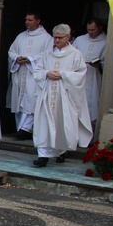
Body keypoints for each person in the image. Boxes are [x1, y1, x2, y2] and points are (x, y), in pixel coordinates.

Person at [32, 24, 93, 167]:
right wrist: (47, 73)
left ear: (68, 37)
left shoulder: (75, 54)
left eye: (60, 38)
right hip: (48, 93)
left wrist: (63, 75)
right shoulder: (47, 54)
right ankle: (43, 155)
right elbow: (37, 70)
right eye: (55, 38)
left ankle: (61, 151)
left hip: (65, 95)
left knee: (62, 123)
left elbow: (81, 73)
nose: (57, 40)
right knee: (44, 123)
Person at [6, 12, 53, 140]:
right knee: (19, 102)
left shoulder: (46, 38)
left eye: (30, 20)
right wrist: (17, 58)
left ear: (38, 21)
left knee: (31, 100)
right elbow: (11, 51)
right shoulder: (21, 36)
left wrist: (31, 59)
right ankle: (20, 129)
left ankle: (26, 129)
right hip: (20, 73)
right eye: (26, 20)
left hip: (34, 75)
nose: (27, 22)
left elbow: (48, 54)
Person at [72, 19, 106, 131]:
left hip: (94, 79)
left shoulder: (106, 42)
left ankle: (90, 137)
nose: (90, 32)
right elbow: (71, 55)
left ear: (100, 28)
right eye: (88, 30)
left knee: (91, 107)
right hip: (79, 79)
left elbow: (108, 63)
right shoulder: (80, 40)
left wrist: (99, 65)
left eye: (93, 30)